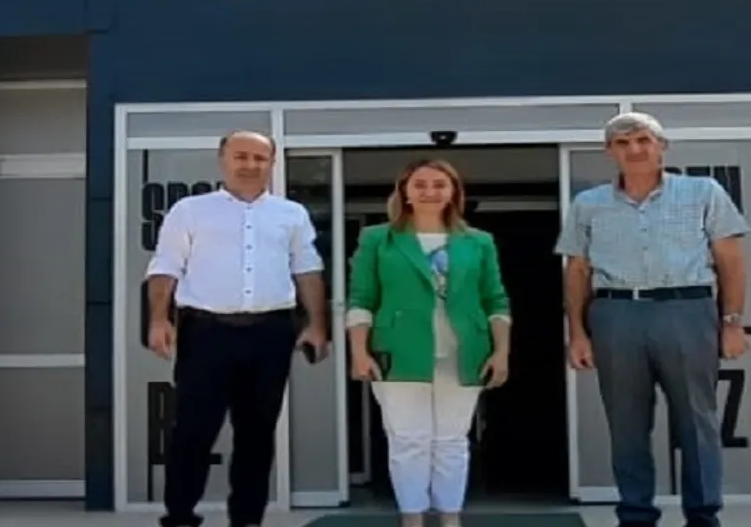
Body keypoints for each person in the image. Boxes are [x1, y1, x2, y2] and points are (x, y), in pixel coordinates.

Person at [555, 113, 751, 527]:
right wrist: (578, 332)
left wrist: (731, 321)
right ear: (609, 151)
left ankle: (703, 515)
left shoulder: (703, 192)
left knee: (697, 418)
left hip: (686, 309)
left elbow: (730, 258)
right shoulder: (588, 204)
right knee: (626, 423)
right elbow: (577, 270)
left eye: (643, 140)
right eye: (622, 143)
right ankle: (636, 514)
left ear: (663, 146)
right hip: (616, 313)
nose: (635, 149)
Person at [145, 130, 330, 527]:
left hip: (270, 335)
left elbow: (307, 269)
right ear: (222, 160)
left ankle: (247, 520)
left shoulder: (291, 214)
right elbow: (165, 266)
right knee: (193, 430)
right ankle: (180, 515)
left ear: (272, 164)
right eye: (241, 156)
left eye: (260, 158)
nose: (250, 165)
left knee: (257, 433)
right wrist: (159, 319)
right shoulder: (190, 210)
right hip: (205, 334)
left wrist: (317, 325)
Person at [345, 158, 513, 527]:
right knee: (408, 440)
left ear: (453, 192)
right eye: (420, 184)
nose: (429, 192)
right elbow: (361, 298)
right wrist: (359, 351)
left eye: (439, 184)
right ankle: (412, 518)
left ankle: (450, 517)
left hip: (464, 352)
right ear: (404, 191)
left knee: (452, 441)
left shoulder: (478, 241)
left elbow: (495, 300)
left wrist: (501, 351)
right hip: (397, 351)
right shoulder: (378, 239)